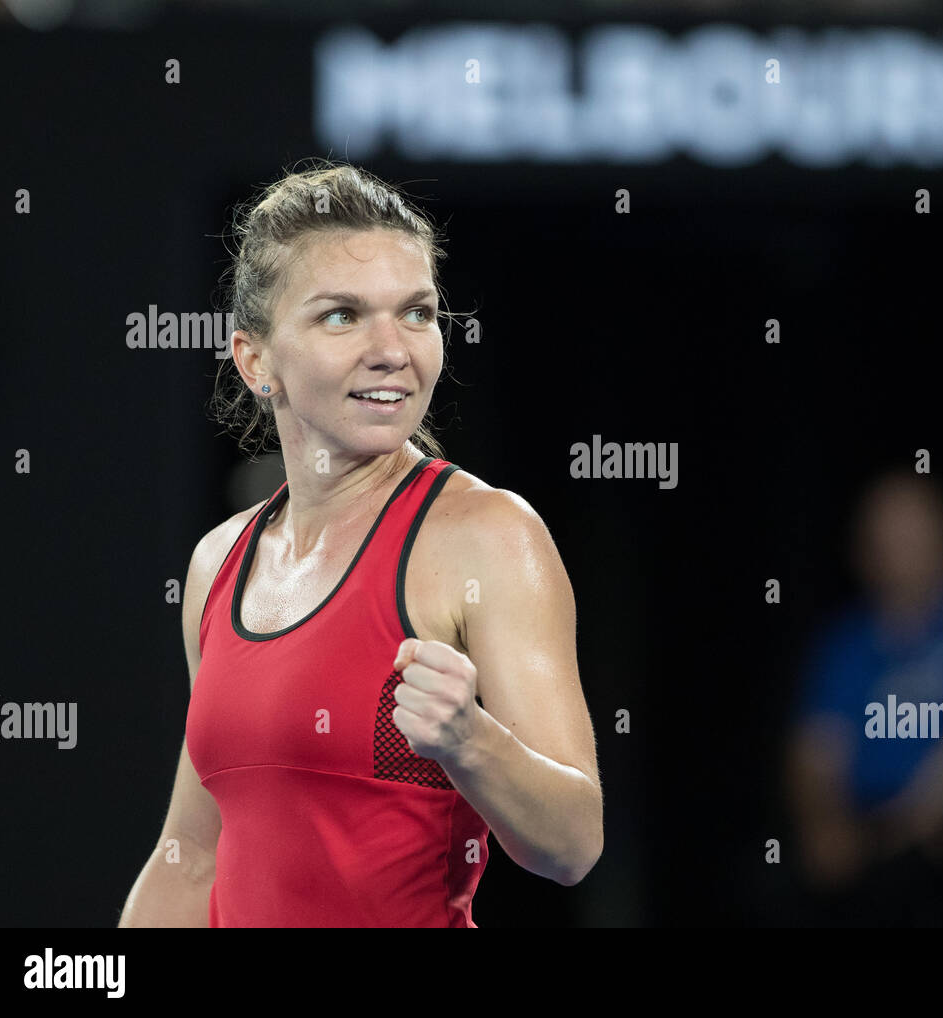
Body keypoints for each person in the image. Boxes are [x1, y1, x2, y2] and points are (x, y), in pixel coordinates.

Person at [119, 161, 602, 927]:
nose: (393, 349)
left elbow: (572, 845)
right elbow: (192, 858)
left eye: (416, 313)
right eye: (342, 316)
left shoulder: (490, 538)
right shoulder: (219, 562)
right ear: (255, 360)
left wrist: (469, 740)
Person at [784, 470, 943, 925]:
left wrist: (934, 798)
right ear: (863, 550)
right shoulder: (845, 644)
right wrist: (823, 822)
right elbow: (815, 755)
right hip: (873, 838)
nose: (906, 548)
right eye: (887, 534)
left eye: (918, 528)